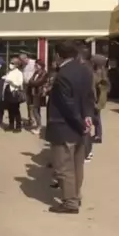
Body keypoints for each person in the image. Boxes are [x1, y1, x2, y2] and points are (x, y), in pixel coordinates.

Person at [45, 41, 94, 214]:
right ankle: (76, 195)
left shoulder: (63, 74)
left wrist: (80, 122)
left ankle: (70, 202)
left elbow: (68, 105)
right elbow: (89, 97)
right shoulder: (84, 70)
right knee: (77, 165)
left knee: (64, 166)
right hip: (80, 127)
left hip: (64, 125)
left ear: (58, 55)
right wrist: (87, 118)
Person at [91, 54, 110, 144]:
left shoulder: (98, 72)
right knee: (96, 117)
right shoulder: (101, 71)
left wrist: (95, 99)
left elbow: (96, 87)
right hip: (98, 98)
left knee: (96, 117)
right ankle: (97, 134)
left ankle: (98, 135)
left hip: (97, 99)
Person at [3, 57, 25, 132]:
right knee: (9, 110)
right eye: (10, 62)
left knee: (16, 110)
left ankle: (18, 126)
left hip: (14, 93)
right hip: (8, 92)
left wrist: (11, 82)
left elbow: (19, 83)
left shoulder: (19, 73)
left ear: (16, 64)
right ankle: (11, 125)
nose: (10, 64)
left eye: (12, 63)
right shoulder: (10, 72)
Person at [27, 59, 48, 135]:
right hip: (33, 92)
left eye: (37, 65)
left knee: (35, 110)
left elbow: (38, 82)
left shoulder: (44, 73)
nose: (35, 66)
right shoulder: (36, 72)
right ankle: (38, 125)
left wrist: (32, 82)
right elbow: (31, 80)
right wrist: (32, 82)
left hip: (39, 93)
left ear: (41, 65)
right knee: (34, 109)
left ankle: (39, 126)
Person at [19, 53, 36, 126]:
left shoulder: (34, 63)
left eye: (23, 60)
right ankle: (30, 118)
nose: (22, 62)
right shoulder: (23, 65)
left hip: (33, 85)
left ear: (26, 58)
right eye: (21, 61)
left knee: (33, 103)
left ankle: (34, 119)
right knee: (28, 102)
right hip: (26, 85)